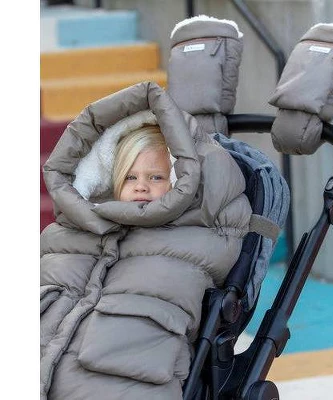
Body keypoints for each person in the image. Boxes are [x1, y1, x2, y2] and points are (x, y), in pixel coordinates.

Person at [40, 82, 252, 400]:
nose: (141, 186)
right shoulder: (72, 230)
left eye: (156, 177)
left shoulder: (196, 236)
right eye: (130, 176)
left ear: (179, 181)